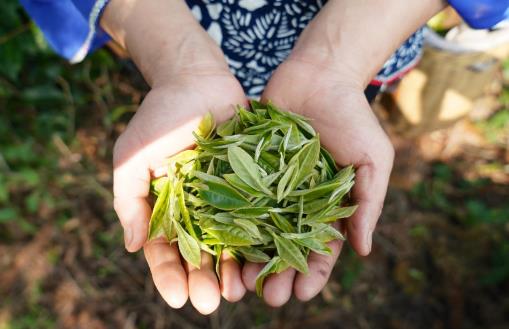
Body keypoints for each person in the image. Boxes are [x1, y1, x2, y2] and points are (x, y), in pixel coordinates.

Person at [20, 0, 509, 315]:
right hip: (174, 42)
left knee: (357, 106)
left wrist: (340, 63)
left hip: (367, 42)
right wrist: (172, 58)